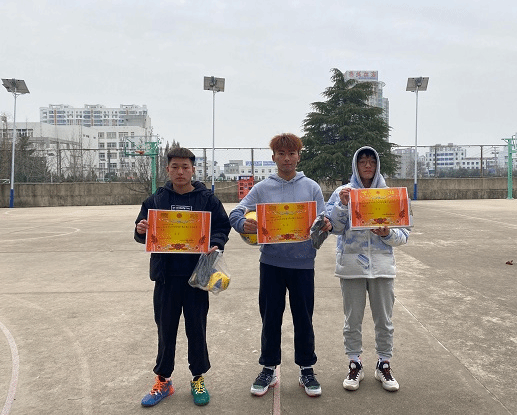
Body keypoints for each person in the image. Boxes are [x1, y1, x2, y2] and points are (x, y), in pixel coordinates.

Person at [229, 133, 331, 398]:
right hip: (271, 264)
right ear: (274, 157)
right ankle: (268, 368)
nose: (287, 159)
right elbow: (236, 212)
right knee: (270, 317)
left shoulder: (311, 187)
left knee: (304, 318)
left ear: (299, 156)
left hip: (303, 264)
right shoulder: (263, 188)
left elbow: (323, 220)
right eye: (282, 154)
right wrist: (242, 224)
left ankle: (307, 369)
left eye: (292, 153)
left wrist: (325, 226)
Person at [134, 147, 231, 407]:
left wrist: (216, 242)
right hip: (166, 278)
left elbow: (222, 226)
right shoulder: (156, 200)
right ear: (167, 169)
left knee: (196, 329)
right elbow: (141, 230)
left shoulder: (207, 200)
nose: (180, 172)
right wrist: (141, 229)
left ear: (193, 170)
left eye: (185, 167)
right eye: (175, 167)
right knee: (165, 330)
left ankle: (198, 378)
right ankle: (163, 380)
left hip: (197, 278)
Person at [325, 146, 410, 392]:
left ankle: (384, 363)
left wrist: (387, 234)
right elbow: (333, 227)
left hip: (382, 266)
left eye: (371, 161)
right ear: (355, 165)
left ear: (377, 164)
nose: (367, 165)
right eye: (362, 161)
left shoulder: (390, 195)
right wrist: (342, 206)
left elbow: (404, 234)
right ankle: (355, 363)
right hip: (351, 266)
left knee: (384, 320)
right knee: (352, 320)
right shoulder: (342, 192)